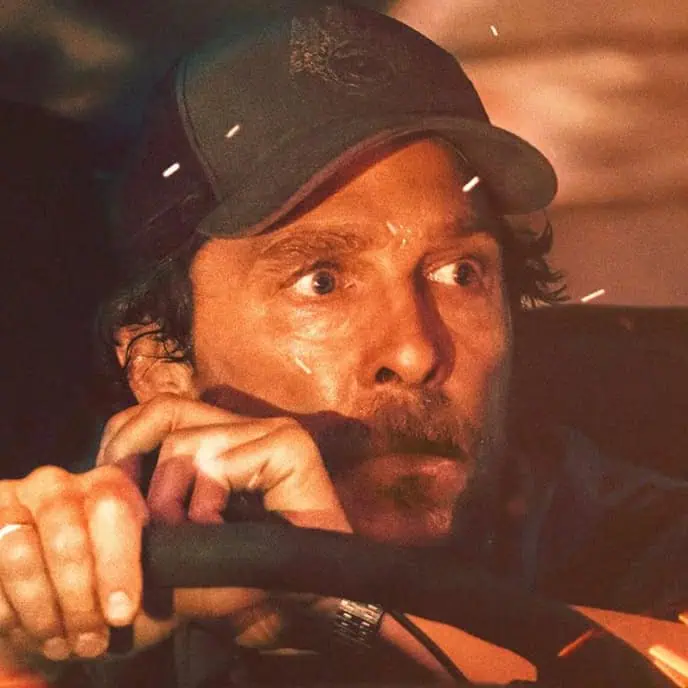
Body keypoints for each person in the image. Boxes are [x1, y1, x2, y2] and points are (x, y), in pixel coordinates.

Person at [0, 2, 685, 686]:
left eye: (460, 273)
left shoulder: (629, 530)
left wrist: (337, 597)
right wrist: (28, 653)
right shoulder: (103, 551)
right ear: (160, 363)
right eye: (322, 282)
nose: (416, 353)